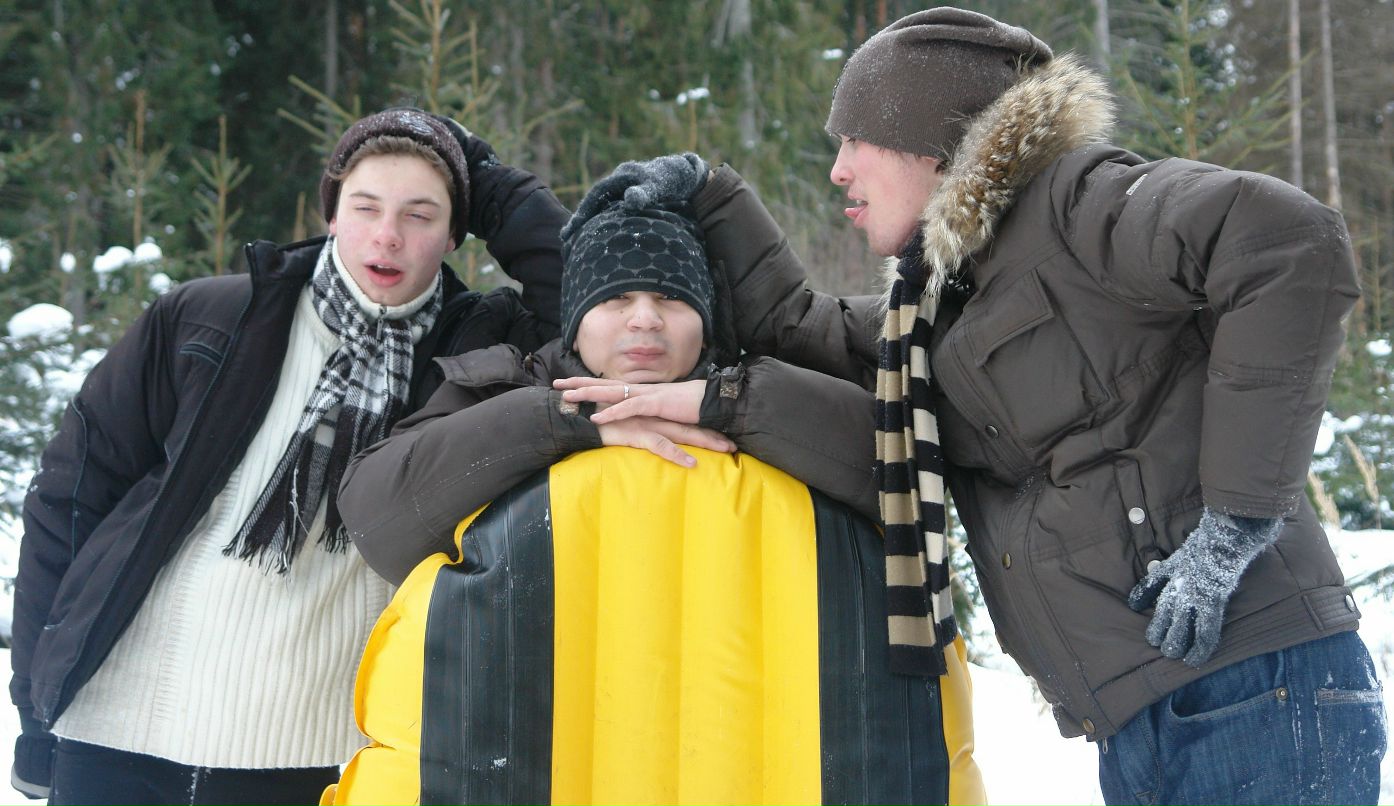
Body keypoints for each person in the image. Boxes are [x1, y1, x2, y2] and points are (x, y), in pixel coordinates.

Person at [586, 7, 1386, 805]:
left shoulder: (1080, 206)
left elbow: (1287, 241)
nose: (838, 170)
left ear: (928, 141)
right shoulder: (935, 309)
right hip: (1149, 709)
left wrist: (1236, 525)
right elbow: (800, 327)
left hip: (1259, 681)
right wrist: (712, 192)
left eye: (853, 140)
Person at [334, 177, 983, 806]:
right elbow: (377, 518)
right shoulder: (502, 394)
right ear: (576, 317)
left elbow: (902, 472)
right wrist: (565, 421)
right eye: (616, 300)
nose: (644, 320)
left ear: (704, 317)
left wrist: (725, 405)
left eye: (671, 301)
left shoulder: (767, 395)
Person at [10, 106, 566, 805]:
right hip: (118, 729)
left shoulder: (474, 354)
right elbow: (71, 496)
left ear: (459, 232)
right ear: (332, 213)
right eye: (365, 206)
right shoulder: (209, 317)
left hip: (314, 756)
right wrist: (36, 705)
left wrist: (483, 176)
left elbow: (586, 302)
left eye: (421, 215)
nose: (387, 235)